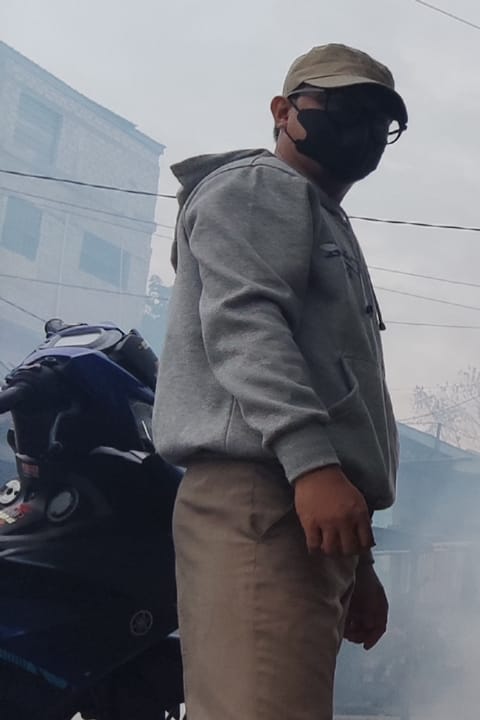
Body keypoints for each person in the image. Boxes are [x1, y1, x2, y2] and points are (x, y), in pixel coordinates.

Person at [152, 43, 408, 720]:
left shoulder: (320, 218)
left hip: (300, 507)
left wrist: (360, 564)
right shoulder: (261, 188)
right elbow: (245, 328)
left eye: (377, 118)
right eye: (340, 106)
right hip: (264, 498)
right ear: (283, 111)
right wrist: (313, 464)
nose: (360, 127)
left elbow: (331, 381)